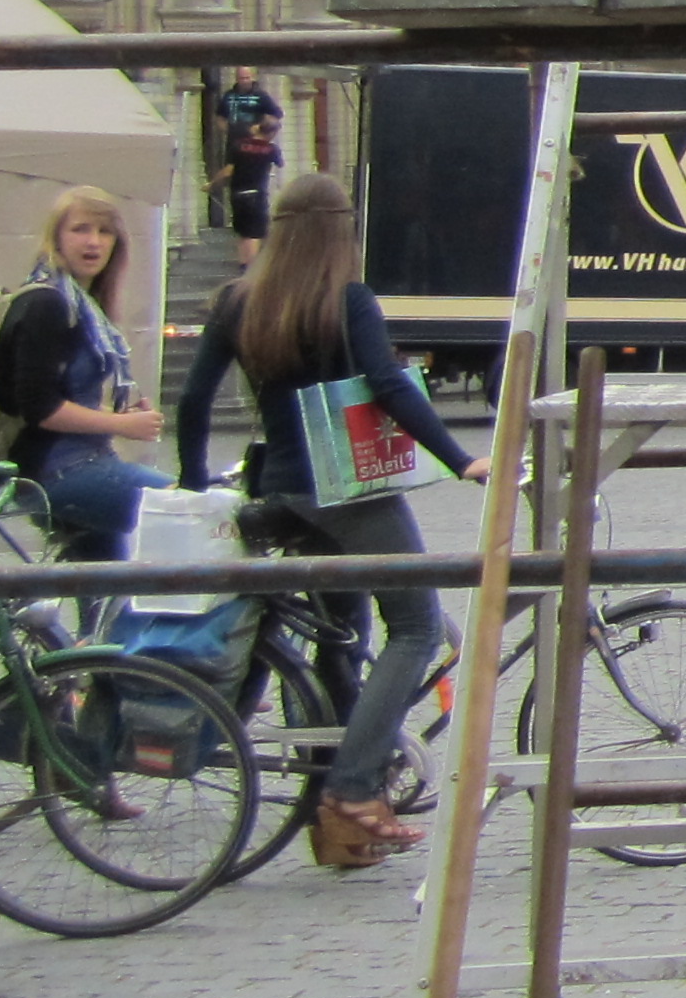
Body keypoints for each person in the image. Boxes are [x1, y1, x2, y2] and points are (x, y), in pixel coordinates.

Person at [173, 171, 477, 870]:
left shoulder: (237, 300)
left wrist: (193, 483)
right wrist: (460, 459)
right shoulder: (348, 301)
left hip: (278, 490)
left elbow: (193, 403)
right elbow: (389, 383)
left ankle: (334, 830)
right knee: (416, 626)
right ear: (342, 230)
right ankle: (350, 787)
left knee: (341, 638)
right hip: (348, 492)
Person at [0, 186, 168, 563]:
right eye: (80, 229)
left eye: (105, 232)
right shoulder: (47, 304)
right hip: (58, 472)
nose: (93, 242)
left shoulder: (82, 305)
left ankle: (87, 624)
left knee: (104, 590)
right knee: (184, 511)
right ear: (56, 237)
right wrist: (121, 425)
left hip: (82, 463)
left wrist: (118, 417)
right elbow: (41, 407)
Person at [216, 66, 285, 269]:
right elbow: (219, 117)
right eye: (240, 78)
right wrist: (229, 130)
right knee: (251, 231)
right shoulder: (229, 96)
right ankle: (250, 265)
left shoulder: (261, 96)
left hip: (247, 183)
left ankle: (246, 264)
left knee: (248, 230)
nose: (244, 81)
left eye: (246, 77)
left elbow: (276, 114)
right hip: (250, 185)